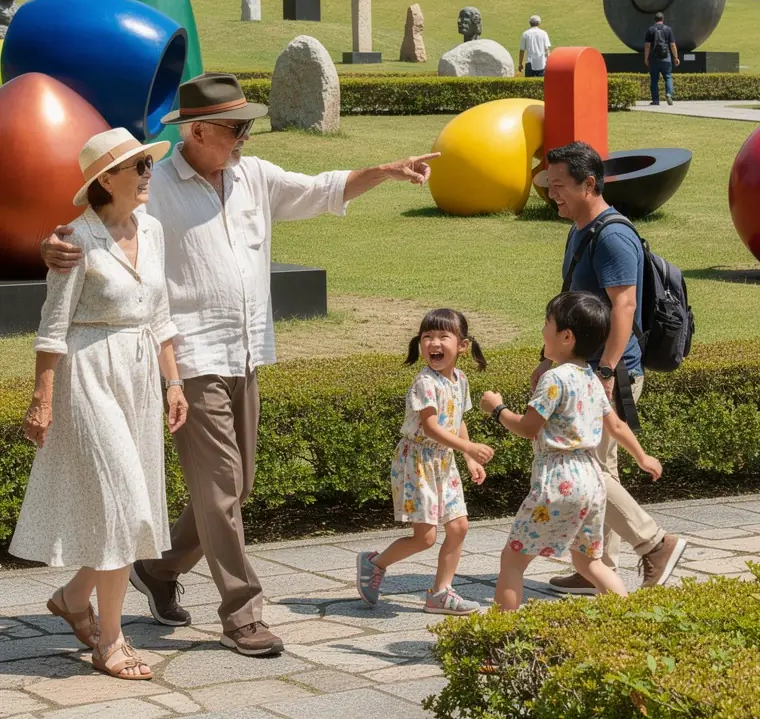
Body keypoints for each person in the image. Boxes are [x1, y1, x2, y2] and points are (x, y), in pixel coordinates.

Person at [42, 73, 439, 658]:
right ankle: (242, 613)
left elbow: (323, 188)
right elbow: (93, 230)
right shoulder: (158, 187)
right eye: (234, 128)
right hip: (191, 355)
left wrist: (382, 169)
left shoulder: (255, 176)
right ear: (196, 130)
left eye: (246, 126)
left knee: (236, 487)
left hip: (247, 351)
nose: (244, 138)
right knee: (223, 489)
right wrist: (48, 248)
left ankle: (159, 568)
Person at [12, 128, 187, 681]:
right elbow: (51, 328)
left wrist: (174, 383)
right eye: (135, 165)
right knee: (125, 506)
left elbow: (159, 315)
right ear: (104, 179)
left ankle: (72, 597)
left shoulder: (153, 229)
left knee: (126, 509)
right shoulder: (74, 240)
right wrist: (42, 401)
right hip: (88, 376)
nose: (146, 172)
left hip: (138, 377)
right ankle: (110, 641)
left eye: (146, 163)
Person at [539, 142, 686, 594]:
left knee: (589, 469)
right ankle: (596, 569)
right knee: (603, 467)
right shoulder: (581, 230)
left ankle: (655, 544)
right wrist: (547, 362)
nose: (553, 195)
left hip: (610, 374)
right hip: (587, 371)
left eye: (560, 186)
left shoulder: (613, 235)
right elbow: (573, 307)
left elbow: (624, 306)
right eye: (550, 186)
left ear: (589, 183)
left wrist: (603, 372)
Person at [480, 292, 662, 611]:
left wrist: (497, 409)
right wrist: (642, 457)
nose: (542, 331)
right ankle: (628, 622)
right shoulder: (591, 378)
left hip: (558, 481)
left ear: (566, 336)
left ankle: (501, 641)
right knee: (588, 563)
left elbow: (528, 428)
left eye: (547, 323)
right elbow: (617, 426)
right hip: (592, 481)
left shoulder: (554, 379)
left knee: (512, 560)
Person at [356, 309, 494, 616]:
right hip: (418, 461)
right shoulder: (424, 382)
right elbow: (431, 428)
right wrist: (470, 447)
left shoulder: (460, 380)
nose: (434, 342)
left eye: (444, 336)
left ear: (463, 345)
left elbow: (457, 422)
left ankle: (440, 593)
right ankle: (374, 563)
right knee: (426, 537)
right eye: (427, 336)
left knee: (458, 527)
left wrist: (469, 457)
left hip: (445, 462)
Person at [644, 10, 679, 107]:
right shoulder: (668, 29)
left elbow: (647, 46)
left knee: (654, 80)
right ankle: (669, 94)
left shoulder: (650, 30)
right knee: (668, 76)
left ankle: (655, 100)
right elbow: (672, 45)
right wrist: (676, 57)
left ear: (655, 20)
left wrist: (646, 58)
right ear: (663, 20)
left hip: (654, 59)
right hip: (666, 58)